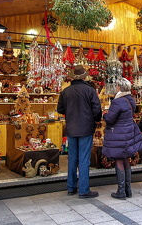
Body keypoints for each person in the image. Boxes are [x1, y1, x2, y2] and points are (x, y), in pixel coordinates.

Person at [57, 65, 102, 198]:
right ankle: (84, 190)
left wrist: (70, 112)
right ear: (84, 76)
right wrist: (96, 119)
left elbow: (60, 110)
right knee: (84, 159)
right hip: (86, 128)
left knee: (72, 159)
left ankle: (71, 187)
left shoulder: (66, 91)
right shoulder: (89, 90)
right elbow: (97, 110)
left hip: (71, 128)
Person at [102, 78, 142, 199]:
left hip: (118, 134)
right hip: (128, 133)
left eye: (116, 86)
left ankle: (121, 191)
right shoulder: (130, 100)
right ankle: (128, 190)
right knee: (126, 160)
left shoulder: (117, 102)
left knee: (119, 160)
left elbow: (110, 119)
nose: (115, 87)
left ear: (119, 87)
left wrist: (105, 114)